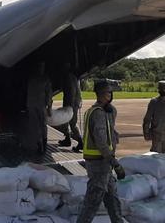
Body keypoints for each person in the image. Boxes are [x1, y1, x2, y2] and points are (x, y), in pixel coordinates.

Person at [77, 79, 125, 223]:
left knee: (112, 199)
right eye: (109, 93)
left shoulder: (98, 111)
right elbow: (101, 142)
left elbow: (109, 136)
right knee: (92, 201)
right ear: (102, 94)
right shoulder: (98, 114)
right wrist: (115, 163)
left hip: (103, 164)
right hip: (99, 164)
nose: (110, 95)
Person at [26, 61, 53, 154]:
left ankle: (40, 145)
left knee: (36, 125)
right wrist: (49, 106)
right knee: (42, 125)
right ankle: (43, 146)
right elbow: (49, 94)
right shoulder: (45, 79)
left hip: (32, 104)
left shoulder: (31, 78)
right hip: (40, 105)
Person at [56, 62, 84, 152]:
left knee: (72, 123)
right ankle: (67, 139)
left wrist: (70, 106)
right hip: (72, 102)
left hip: (70, 103)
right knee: (66, 122)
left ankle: (80, 142)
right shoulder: (74, 77)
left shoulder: (68, 77)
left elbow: (71, 92)